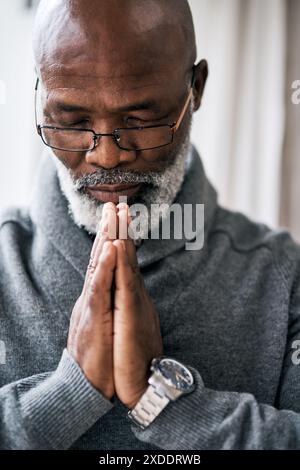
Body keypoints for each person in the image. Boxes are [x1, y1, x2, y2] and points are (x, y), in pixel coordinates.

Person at [0, 0, 300, 450]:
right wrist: (65, 396)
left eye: (140, 120)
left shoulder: (284, 277)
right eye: (73, 121)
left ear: (195, 88)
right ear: (42, 95)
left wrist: (165, 400)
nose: (106, 157)